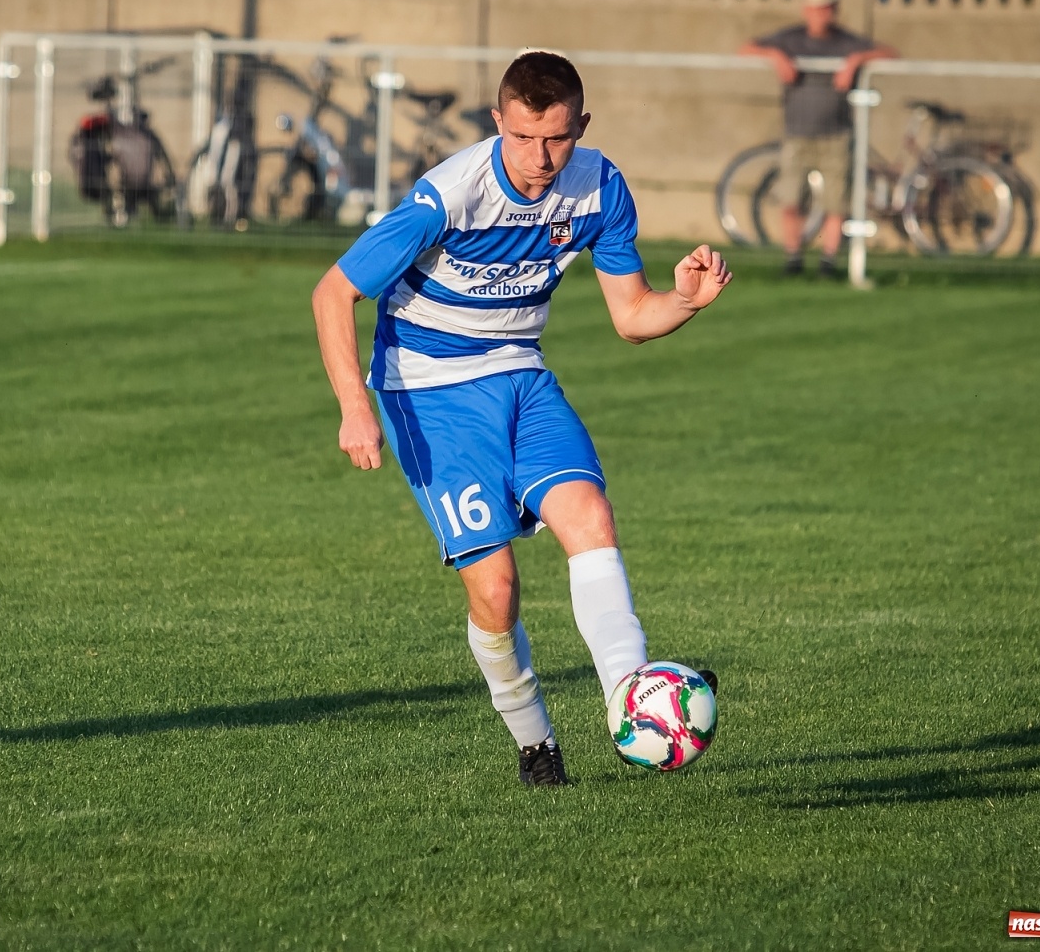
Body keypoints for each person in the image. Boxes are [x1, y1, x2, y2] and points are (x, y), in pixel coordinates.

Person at [310, 52, 731, 787]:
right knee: (497, 592)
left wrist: (686, 300)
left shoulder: (599, 187)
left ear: (582, 127)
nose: (541, 158)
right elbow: (333, 291)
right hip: (428, 391)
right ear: (498, 121)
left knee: (590, 517)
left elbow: (632, 317)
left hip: (519, 372)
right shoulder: (449, 196)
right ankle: (534, 736)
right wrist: (354, 407)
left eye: (559, 138)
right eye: (526, 137)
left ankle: (634, 697)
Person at [739, 0, 898, 279]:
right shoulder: (790, 39)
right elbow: (746, 48)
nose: (820, 13)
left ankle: (828, 263)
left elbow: (889, 53)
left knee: (835, 202)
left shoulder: (846, 41)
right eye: (815, 7)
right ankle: (793, 259)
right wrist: (774, 56)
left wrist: (856, 61)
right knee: (791, 199)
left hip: (836, 135)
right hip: (797, 134)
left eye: (826, 7)